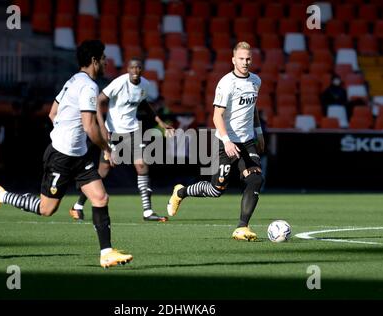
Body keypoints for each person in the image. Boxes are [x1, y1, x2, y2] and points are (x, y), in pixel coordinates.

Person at [0, 40, 133, 268]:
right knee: (47, 209)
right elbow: (90, 127)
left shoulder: (73, 80)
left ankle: (106, 253)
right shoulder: (89, 86)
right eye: (102, 58)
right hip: (61, 157)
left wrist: (67, 133)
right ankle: (0, 196)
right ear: (94, 61)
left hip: (77, 156)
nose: (105, 62)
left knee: (100, 198)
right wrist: (106, 148)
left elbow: (53, 113)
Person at [166, 41, 265, 241]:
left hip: (247, 141)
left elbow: (252, 109)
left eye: (248, 59)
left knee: (255, 179)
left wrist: (259, 132)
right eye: (241, 59)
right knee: (216, 189)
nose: (245, 62)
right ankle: (181, 192)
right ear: (233, 60)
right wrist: (227, 142)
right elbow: (216, 116)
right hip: (225, 142)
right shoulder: (226, 83)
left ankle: (242, 227)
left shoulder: (256, 81)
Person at [69, 57, 175, 222]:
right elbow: (99, 101)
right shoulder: (119, 83)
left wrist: (161, 122)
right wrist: (103, 127)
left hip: (133, 131)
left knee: (141, 165)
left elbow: (144, 103)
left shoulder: (145, 85)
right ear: (127, 69)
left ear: (142, 69)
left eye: (138, 68)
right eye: (132, 68)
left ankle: (148, 211)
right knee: (103, 172)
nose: (135, 71)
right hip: (113, 132)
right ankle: (78, 206)